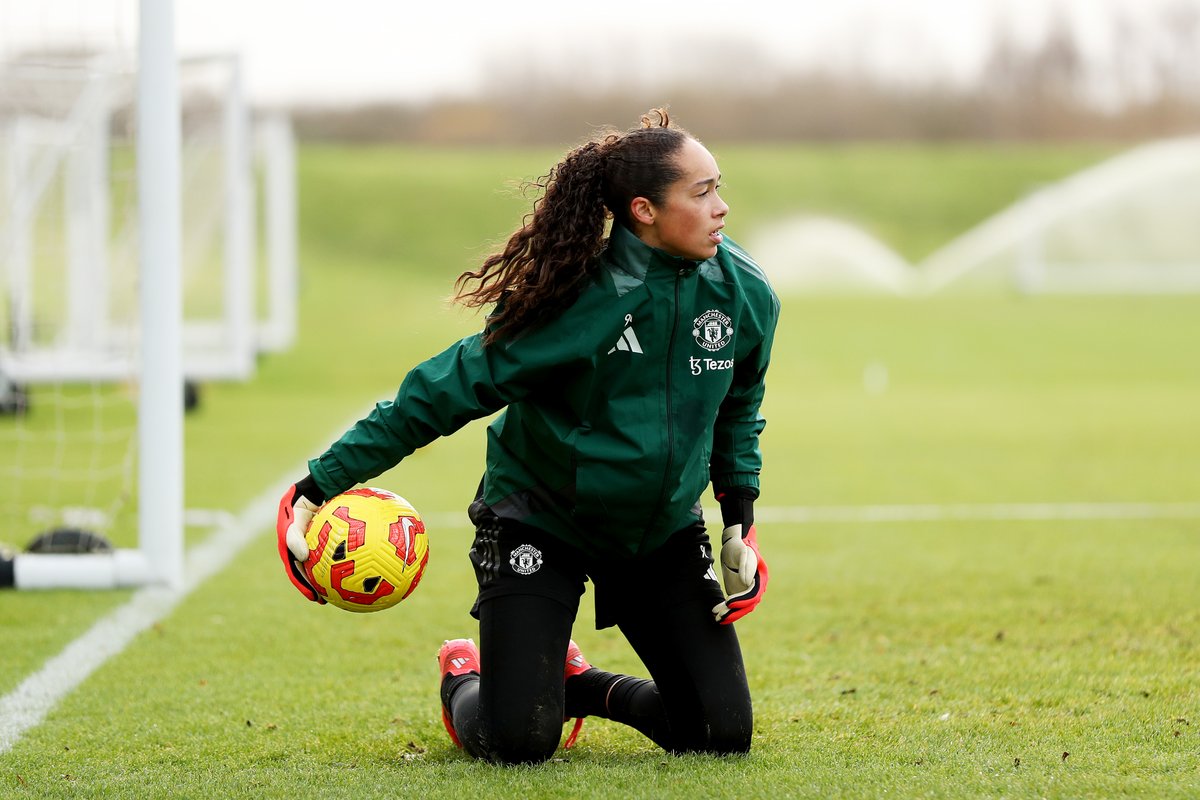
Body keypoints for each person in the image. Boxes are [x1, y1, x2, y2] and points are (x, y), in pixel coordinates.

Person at [276, 108, 779, 764]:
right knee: (517, 742)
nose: (723, 207)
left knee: (718, 735)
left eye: (720, 186)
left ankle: (580, 685)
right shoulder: (577, 299)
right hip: (543, 517)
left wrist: (739, 518)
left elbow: (740, 407)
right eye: (703, 191)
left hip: (657, 529)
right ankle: (465, 674)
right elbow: (444, 389)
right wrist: (319, 485)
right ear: (643, 211)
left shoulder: (744, 292)